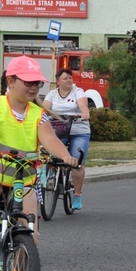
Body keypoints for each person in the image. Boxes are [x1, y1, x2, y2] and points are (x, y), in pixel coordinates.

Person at [0, 56, 77, 271]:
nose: (33, 87)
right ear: (11, 81)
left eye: (37, 83)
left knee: (28, 240)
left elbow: (50, 140)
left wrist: (66, 156)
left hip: (23, 181)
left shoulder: (38, 115)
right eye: (28, 82)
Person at [43, 69, 92, 210]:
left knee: (76, 162)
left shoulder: (78, 91)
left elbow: (83, 105)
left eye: (70, 77)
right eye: (65, 78)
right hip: (59, 130)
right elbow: (45, 108)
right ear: (58, 81)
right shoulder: (52, 94)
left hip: (79, 130)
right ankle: (54, 175)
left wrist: (85, 113)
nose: (69, 80)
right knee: (52, 155)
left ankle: (77, 195)